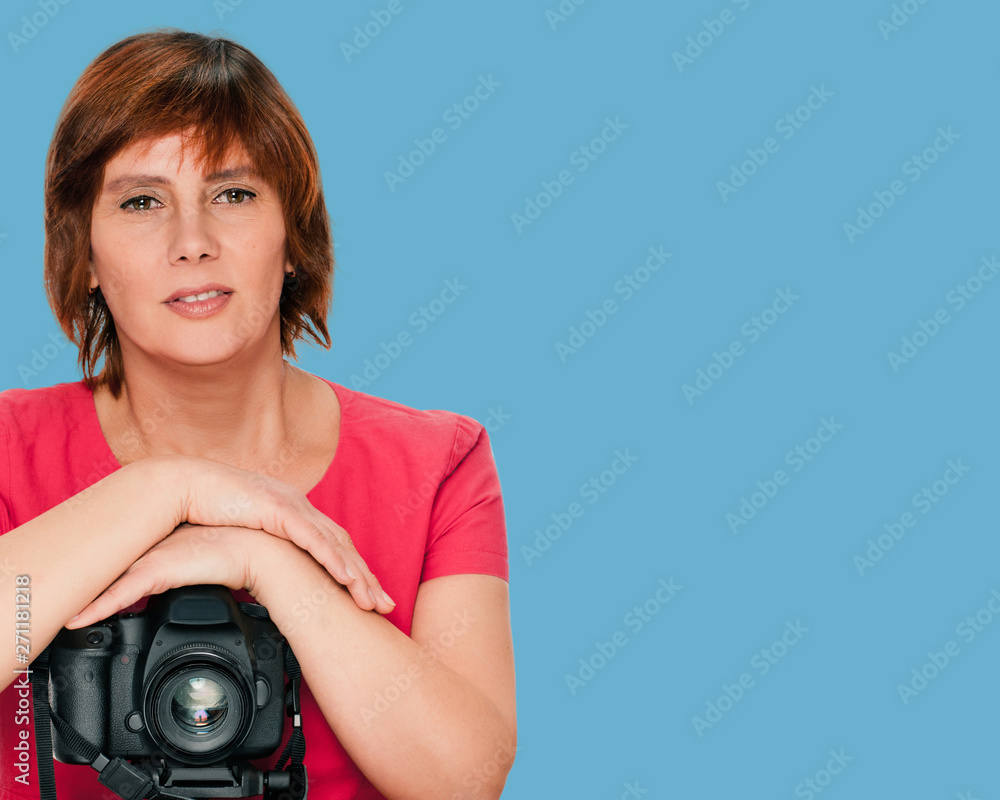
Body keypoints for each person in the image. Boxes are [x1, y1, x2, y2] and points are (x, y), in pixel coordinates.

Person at [0, 29, 516, 800]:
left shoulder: (436, 461)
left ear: (293, 238)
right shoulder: (10, 447)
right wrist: (169, 490)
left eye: (232, 194)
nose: (193, 242)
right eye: (142, 202)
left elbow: (465, 780)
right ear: (87, 257)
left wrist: (270, 565)